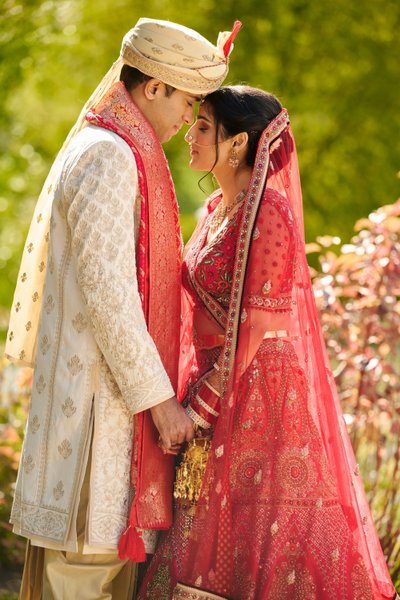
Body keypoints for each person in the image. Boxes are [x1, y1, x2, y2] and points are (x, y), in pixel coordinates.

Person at [5, 18, 241, 600]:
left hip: (107, 413)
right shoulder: (111, 155)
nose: (188, 118)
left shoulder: (114, 147)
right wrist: (163, 407)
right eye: (186, 100)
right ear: (154, 87)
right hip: (96, 420)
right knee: (83, 577)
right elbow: (110, 296)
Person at [137, 86, 397, 599]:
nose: (191, 132)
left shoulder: (269, 213)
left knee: (260, 546)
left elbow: (255, 329)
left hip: (260, 402)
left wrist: (200, 410)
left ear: (238, 144)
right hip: (216, 385)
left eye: (205, 126)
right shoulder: (216, 208)